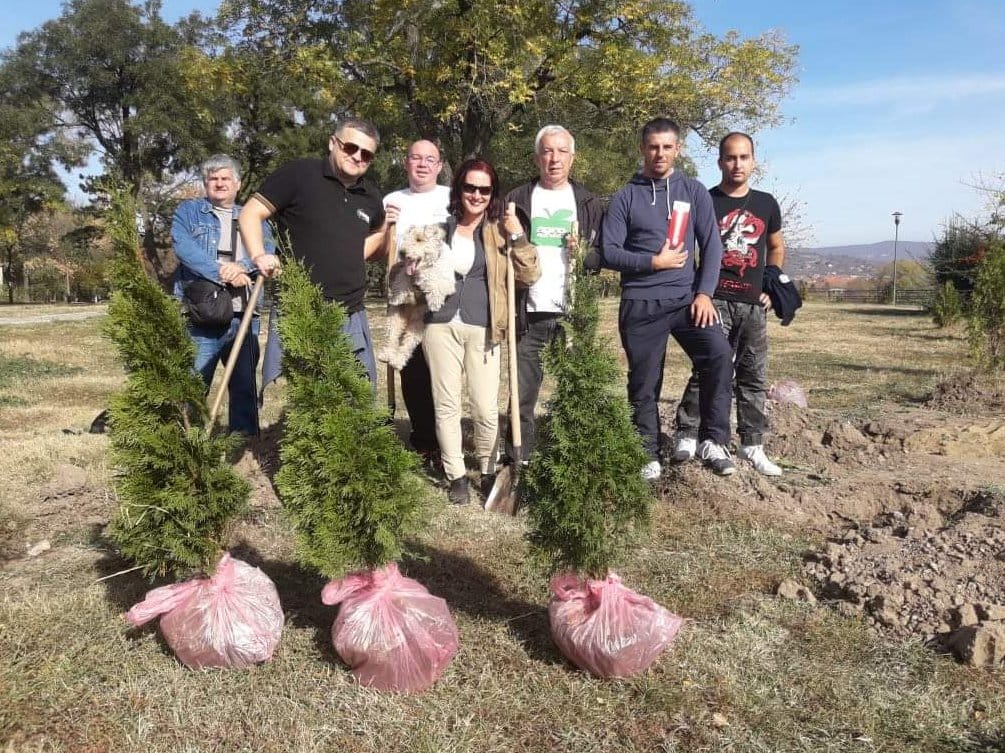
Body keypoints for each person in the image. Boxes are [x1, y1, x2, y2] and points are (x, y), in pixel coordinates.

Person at [601, 117, 735, 479]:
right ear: (643, 149)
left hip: (685, 301)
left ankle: (713, 439)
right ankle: (647, 452)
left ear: (678, 149)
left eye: (666, 146)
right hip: (641, 303)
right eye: (652, 146)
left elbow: (711, 247)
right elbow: (608, 252)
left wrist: (704, 294)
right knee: (645, 382)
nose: (659, 153)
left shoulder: (694, 192)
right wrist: (651, 262)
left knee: (719, 355)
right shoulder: (626, 196)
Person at [238, 117, 391, 385]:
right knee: (308, 395)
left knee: (357, 394)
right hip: (301, 308)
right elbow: (251, 213)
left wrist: (377, 237)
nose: (357, 157)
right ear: (333, 143)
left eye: (366, 154)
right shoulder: (299, 174)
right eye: (350, 148)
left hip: (350, 311)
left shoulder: (371, 196)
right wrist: (259, 255)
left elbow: (370, 241)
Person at [422, 158, 540, 505]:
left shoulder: (498, 232)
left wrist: (516, 234)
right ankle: (456, 474)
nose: (476, 194)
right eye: (469, 187)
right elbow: (414, 271)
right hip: (440, 325)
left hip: (485, 326)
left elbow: (530, 273)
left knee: (486, 408)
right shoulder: (439, 229)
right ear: (459, 188)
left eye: (484, 189)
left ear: (493, 194)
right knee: (446, 404)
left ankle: (488, 470)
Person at [672, 132, 786, 476]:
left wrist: (771, 286)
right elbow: (686, 248)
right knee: (708, 368)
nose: (737, 164)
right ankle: (689, 433)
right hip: (714, 300)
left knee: (753, 374)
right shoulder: (706, 200)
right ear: (720, 161)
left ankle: (752, 443)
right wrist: (697, 291)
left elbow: (776, 247)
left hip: (751, 305)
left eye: (744, 157)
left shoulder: (766, 203)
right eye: (730, 158)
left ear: (753, 161)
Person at [503, 125, 605, 464]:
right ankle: (519, 455)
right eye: (547, 151)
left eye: (561, 151)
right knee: (523, 390)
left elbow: (600, 257)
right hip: (528, 311)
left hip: (572, 311)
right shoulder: (516, 200)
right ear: (537, 157)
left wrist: (584, 251)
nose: (554, 158)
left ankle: (572, 453)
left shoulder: (588, 203)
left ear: (572, 158)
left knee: (575, 387)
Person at [172, 154, 275, 435]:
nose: (219, 183)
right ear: (205, 183)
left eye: (225, 178)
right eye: (213, 178)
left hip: (244, 315)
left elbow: (266, 253)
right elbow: (184, 249)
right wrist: (222, 271)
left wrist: (240, 267)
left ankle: (244, 441)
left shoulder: (256, 218)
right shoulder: (189, 212)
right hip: (202, 314)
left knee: (243, 384)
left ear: (237, 183)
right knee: (194, 381)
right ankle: (188, 439)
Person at [382, 139, 450, 469]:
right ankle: (423, 441)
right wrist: (385, 226)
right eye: (415, 158)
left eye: (429, 159)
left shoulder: (450, 198)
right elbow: (383, 249)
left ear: (439, 166)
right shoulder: (392, 201)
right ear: (406, 162)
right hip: (406, 295)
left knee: (441, 368)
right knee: (412, 370)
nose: (422, 164)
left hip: (441, 295)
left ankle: (447, 438)